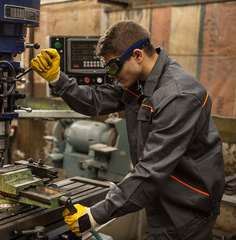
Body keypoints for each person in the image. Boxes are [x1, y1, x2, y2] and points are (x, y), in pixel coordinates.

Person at [30, 20, 225, 240]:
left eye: (113, 66)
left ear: (138, 55)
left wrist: (94, 216)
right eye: (107, 68)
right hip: (163, 193)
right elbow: (95, 101)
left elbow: (151, 171)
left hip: (188, 204)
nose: (111, 74)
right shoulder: (139, 83)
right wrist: (58, 79)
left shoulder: (178, 96)